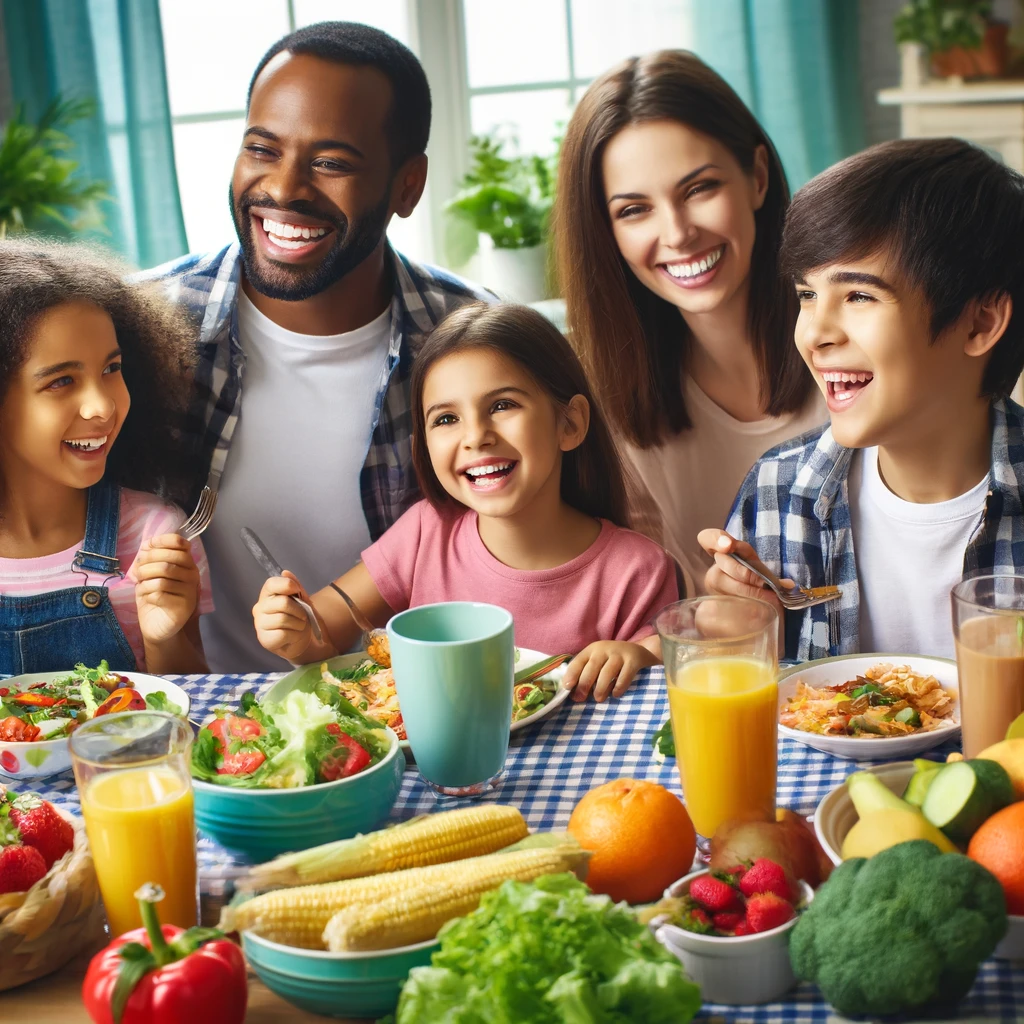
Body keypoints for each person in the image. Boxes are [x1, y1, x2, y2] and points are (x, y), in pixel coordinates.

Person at [142, 22, 493, 672]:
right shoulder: (137, 328)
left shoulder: (478, 339)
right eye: (262, 149)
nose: (284, 188)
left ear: (407, 186)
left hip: (418, 726)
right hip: (211, 732)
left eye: (331, 162)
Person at [698, 138, 1024, 661]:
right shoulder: (778, 492)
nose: (815, 334)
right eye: (807, 295)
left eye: (859, 296)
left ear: (980, 322)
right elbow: (756, 689)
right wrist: (735, 632)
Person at [253, 303, 678, 703]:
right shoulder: (425, 532)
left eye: (502, 405)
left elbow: (671, 661)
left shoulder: (637, 569)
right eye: (447, 419)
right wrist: (295, 632)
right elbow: (323, 628)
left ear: (569, 423)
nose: (476, 436)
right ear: (424, 447)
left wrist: (639, 657)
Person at [553, 50, 826, 595]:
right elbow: (648, 607)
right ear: (605, 232)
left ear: (757, 176)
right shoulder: (596, 396)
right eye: (634, 210)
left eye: (699, 189)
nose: (677, 233)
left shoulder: (853, 338)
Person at [0, 242, 213, 674]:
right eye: (62, 381)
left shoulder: (155, 536)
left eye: (111, 369)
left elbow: (190, 710)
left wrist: (164, 635)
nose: (102, 407)